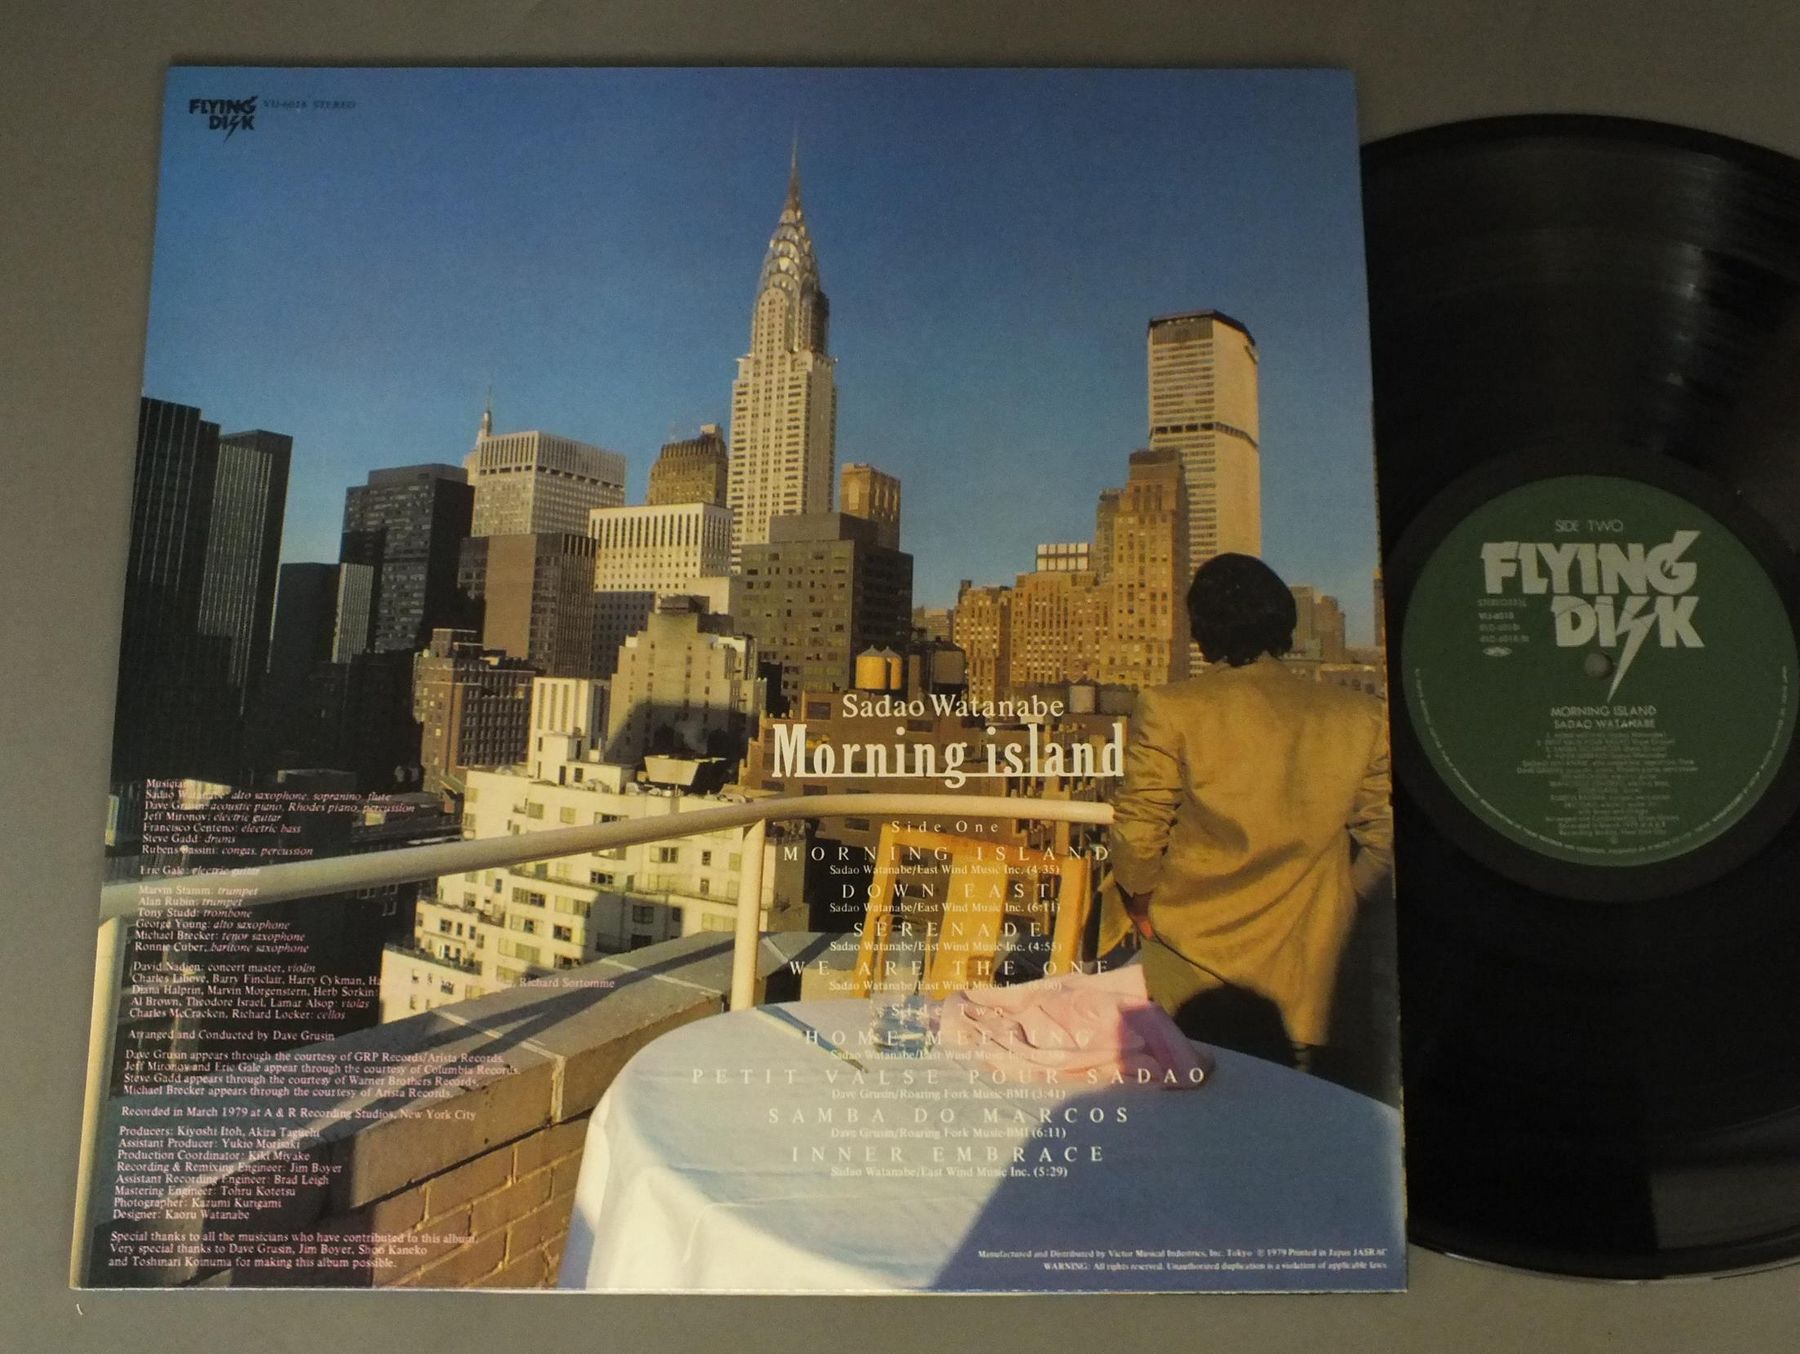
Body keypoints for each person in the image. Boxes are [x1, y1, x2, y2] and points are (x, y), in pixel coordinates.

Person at [1106, 553, 1392, 1072]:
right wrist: (1343, 898)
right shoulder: (1362, 716)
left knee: (1197, 1110)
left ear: (1201, 629)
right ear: (1284, 622)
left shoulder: (1171, 707)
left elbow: (1138, 830)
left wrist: (1144, 907)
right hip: (1311, 978)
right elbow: (1386, 840)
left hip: (1192, 971)